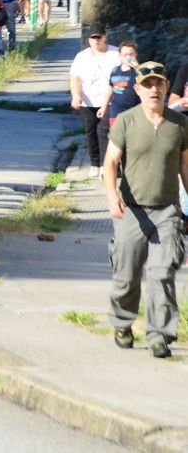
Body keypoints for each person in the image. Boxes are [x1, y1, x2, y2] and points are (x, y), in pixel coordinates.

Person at [102, 62, 188, 359]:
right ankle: (123, 323)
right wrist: (112, 196)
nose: (154, 89)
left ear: (166, 87)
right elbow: (110, 163)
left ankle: (159, 335)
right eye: (147, 85)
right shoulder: (125, 121)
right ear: (137, 89)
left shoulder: (179, 123)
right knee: (126, 276)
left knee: (161, 272)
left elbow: (185, 166)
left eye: (159, 84)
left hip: (167, 211)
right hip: (132, 211)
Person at [70, 26, 119, 174]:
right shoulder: (82, 56)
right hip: (88, 101)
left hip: (109, 100)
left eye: (98, 37)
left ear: (105, 37)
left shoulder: (115, 53)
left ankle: (107, 164)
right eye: (93, 38)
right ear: (89, 39)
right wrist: (76, 96)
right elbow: (75, 78)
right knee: (91, 131)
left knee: (105, 132)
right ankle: (95, 163)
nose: (96, 41)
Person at [100, 41, 141, 139]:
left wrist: (137, 67)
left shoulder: (137, 71)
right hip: (116, 112)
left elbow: (144, 83)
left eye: (131, 54)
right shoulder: (115, 70)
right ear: (119, 56)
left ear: (135, 55)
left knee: (133, 138)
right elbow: (110, 88)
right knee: (117, 138)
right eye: (125, 54)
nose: (128, 57)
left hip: (134, 112)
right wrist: (104, 107)